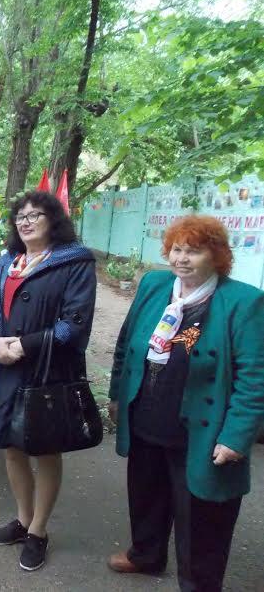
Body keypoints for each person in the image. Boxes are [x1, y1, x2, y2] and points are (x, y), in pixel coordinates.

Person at [107, 215, 264, 591]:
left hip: (203, 432)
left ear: (218, 256)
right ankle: (146, 554)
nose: (182, 258)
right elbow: (126, 345)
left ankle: (198, 584)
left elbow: (254, 378)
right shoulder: (154, 285)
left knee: (203, 518)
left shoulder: (243, 301)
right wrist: (116, 395)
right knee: (146, 494)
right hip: (147, 419)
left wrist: (236, 437)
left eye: (194, 251)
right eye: (177, 249)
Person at [0, 191, 96, 571]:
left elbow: (74, 326)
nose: (25, 222)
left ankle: (39, 531)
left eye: (35, 216)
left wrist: (21, 347)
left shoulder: (75, 261)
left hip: (46, 371)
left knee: (44, 449)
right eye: (20, 217)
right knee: (11, 446)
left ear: (53, 220)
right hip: (3, 366)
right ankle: (23, 519)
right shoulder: (10, 260)